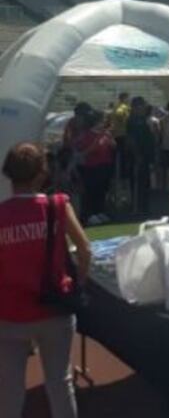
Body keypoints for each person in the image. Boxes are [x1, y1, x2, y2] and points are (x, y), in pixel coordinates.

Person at [0, 142, 91, 418]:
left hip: (9, 312)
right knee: (60, 384)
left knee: (9, 389)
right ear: (42, 173)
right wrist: (80, 284)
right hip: (55, 308)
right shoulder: (58, 205)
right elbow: (85, 250)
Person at [72, 109, 116, 225]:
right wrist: (98, 140)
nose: (104, 123)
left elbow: (113, 146)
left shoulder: (104, 134)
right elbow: (86, 150)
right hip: (92, 167)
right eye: (102, 121)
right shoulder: (87, 135)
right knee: (91, 191)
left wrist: (109, 138)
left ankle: (100, 211)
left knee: (102, 190)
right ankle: (90, 214)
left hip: (105, 165)